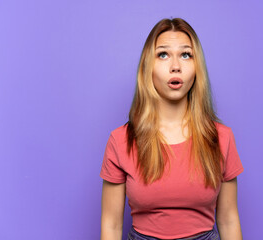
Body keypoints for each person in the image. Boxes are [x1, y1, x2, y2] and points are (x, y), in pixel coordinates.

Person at [100, 17, 244, 240]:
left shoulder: (221, 138)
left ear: (197, 68)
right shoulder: (121, 140)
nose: (175, 66)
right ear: (148, 66)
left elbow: (228, 219)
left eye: (186, 55)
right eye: (163, 54)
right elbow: (111, 225)